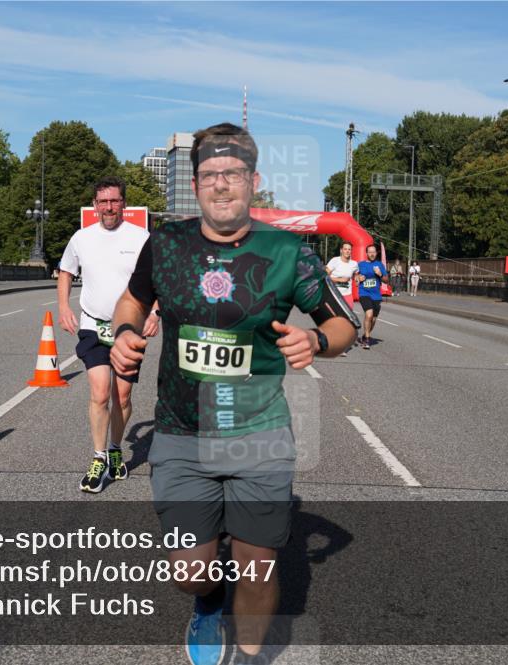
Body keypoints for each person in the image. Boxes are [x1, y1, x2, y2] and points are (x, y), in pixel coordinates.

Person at [110, 122, 357, 665]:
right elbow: (132, 301)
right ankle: (208, 600)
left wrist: (316, 340)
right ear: (195, 184)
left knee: (257, 565)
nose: (221, 184)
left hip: (258, 433)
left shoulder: (289, 252)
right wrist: (124, 332)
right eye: (209, 174)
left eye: (234, 173)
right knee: (189, 573)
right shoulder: (166, 244)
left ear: (254, 181)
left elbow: (344, 324)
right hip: (181, 431)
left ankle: (247, 656)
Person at [58, 175, 158, 494]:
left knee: (122, 397)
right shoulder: (82, 238)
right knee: (100, 393)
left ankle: (115, 447)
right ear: (95, 205)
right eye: (103, 202)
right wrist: (63, 306)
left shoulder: (141, 237)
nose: (109, 207)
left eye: (114, 200)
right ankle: (99, 457)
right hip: (93, 324)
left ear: (123, 203)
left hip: (129, 329)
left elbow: (159, 278)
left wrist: (155, 312)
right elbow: (66, 271)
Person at [325, 241, 358, 356]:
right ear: (341, 250)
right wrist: (339, 280)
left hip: (348, 295)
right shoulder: (335, 261)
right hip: (334, 294)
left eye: (349, 249)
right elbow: (324, 275)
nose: (347, 251)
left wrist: (358, 278)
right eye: (345, 249)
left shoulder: (354, 264)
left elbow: (356, 274)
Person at [355, 244, 388, 349]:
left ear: (376, 253)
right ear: (366, 253)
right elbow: (355, 277)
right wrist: (358, 278)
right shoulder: (361, 264)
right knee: (369, 314)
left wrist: (380, 274)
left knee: (373, 319)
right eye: (370, 252)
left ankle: (365, 336)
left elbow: (386, 280)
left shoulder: (379, 265)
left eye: (373, 252)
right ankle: (367, 340)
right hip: (364, 293)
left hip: (376, 295)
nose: (372, 254)